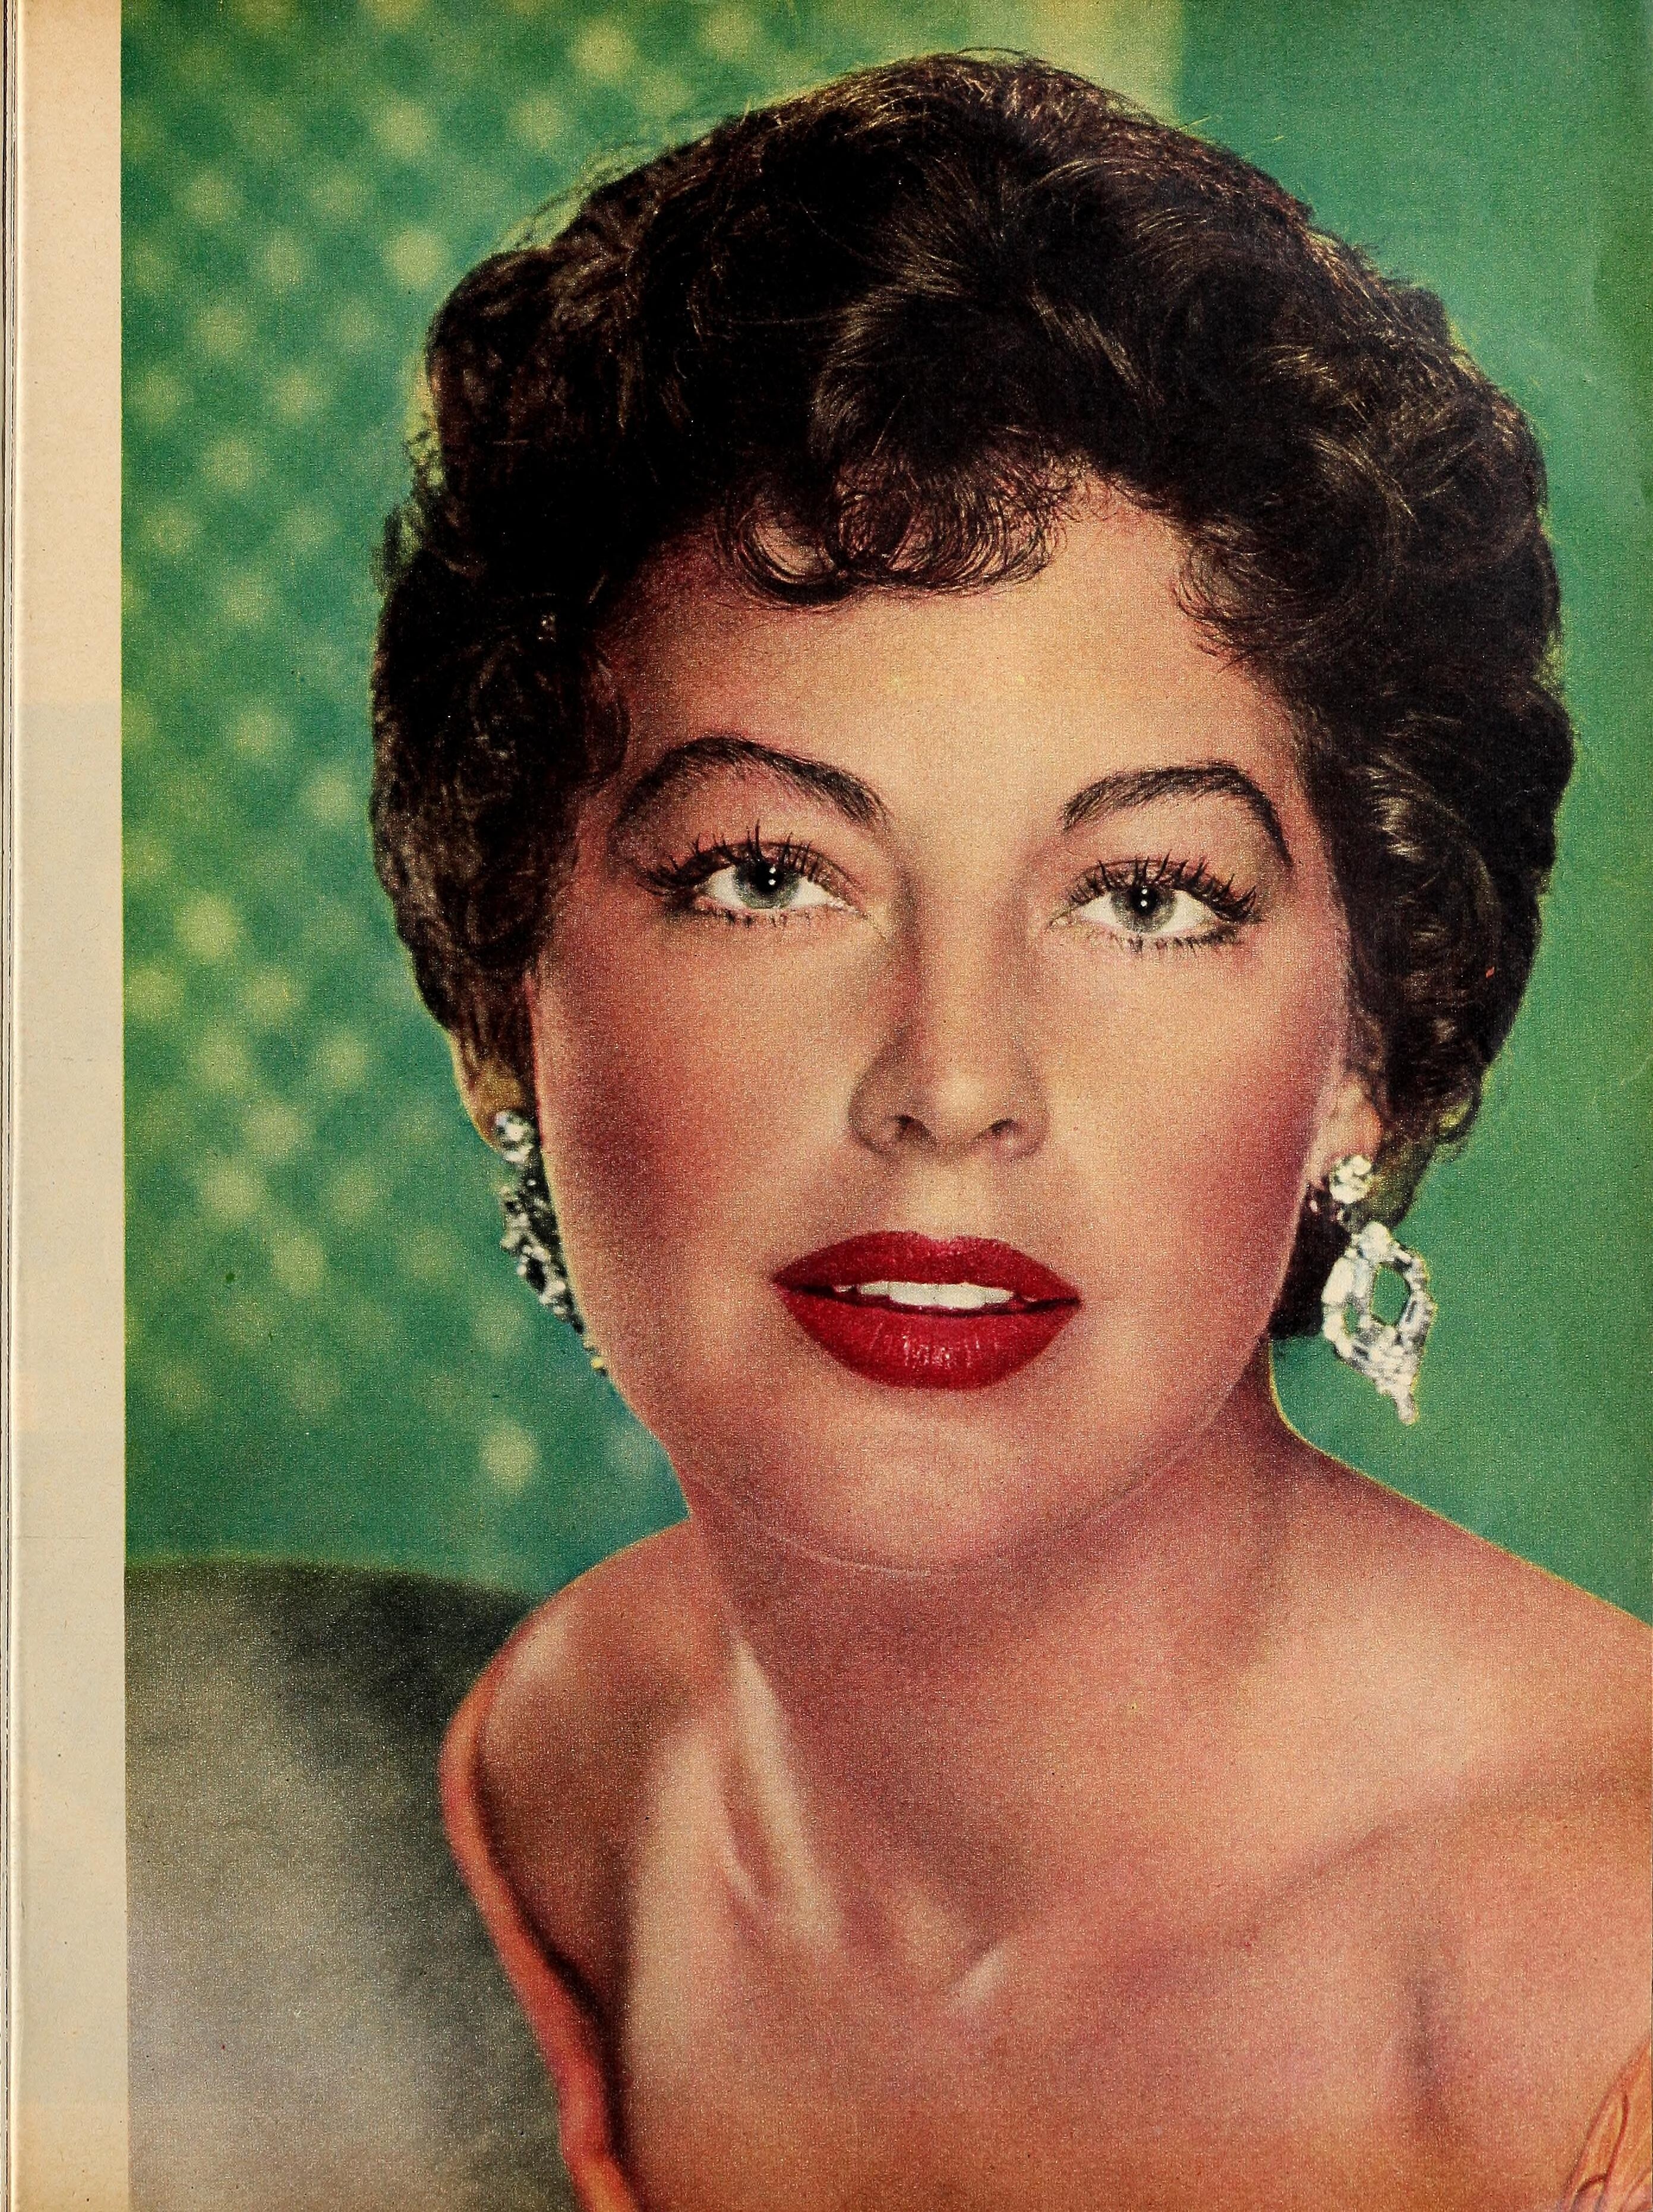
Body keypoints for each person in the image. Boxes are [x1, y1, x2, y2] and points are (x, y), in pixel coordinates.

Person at [371, 55, 1650, 2212]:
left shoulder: (1598, 1979)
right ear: (504, 995)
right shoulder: (567, 1776)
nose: (954, 1079)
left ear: (1371, 1039)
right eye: (769, 872)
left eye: (1146, 895)